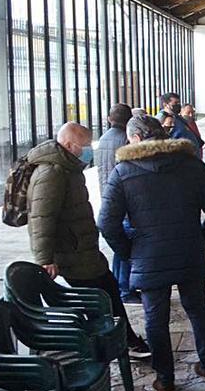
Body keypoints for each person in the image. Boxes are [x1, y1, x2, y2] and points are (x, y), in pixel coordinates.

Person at [98, 115, 205, 391]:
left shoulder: (123, 172)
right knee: (198, 310)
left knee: (155, 318)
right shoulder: (192, 164)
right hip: (188, 254)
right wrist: (199, 240)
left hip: (149, 257)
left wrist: (131, 252)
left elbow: (106, 223)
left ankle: (166, 378)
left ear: (134, 139)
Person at [26, 122, 152, 360]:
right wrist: (45, 258)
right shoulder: (51, 173)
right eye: (84, 145)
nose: (88, 150)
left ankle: (123, 340)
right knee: (100, 297)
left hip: (83, 249)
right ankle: (117, 344)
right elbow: (42, 217)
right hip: (72, 252)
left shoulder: (67, 168)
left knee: (109, 290)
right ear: (69, 144)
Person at [95, 103, 139, 304]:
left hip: (108, 197)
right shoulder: (125, 140)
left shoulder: (103, 139)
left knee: (119, 246)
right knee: (126, 248)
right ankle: (125, 289)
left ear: (108, 119)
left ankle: (121, 285)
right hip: (124, 201)